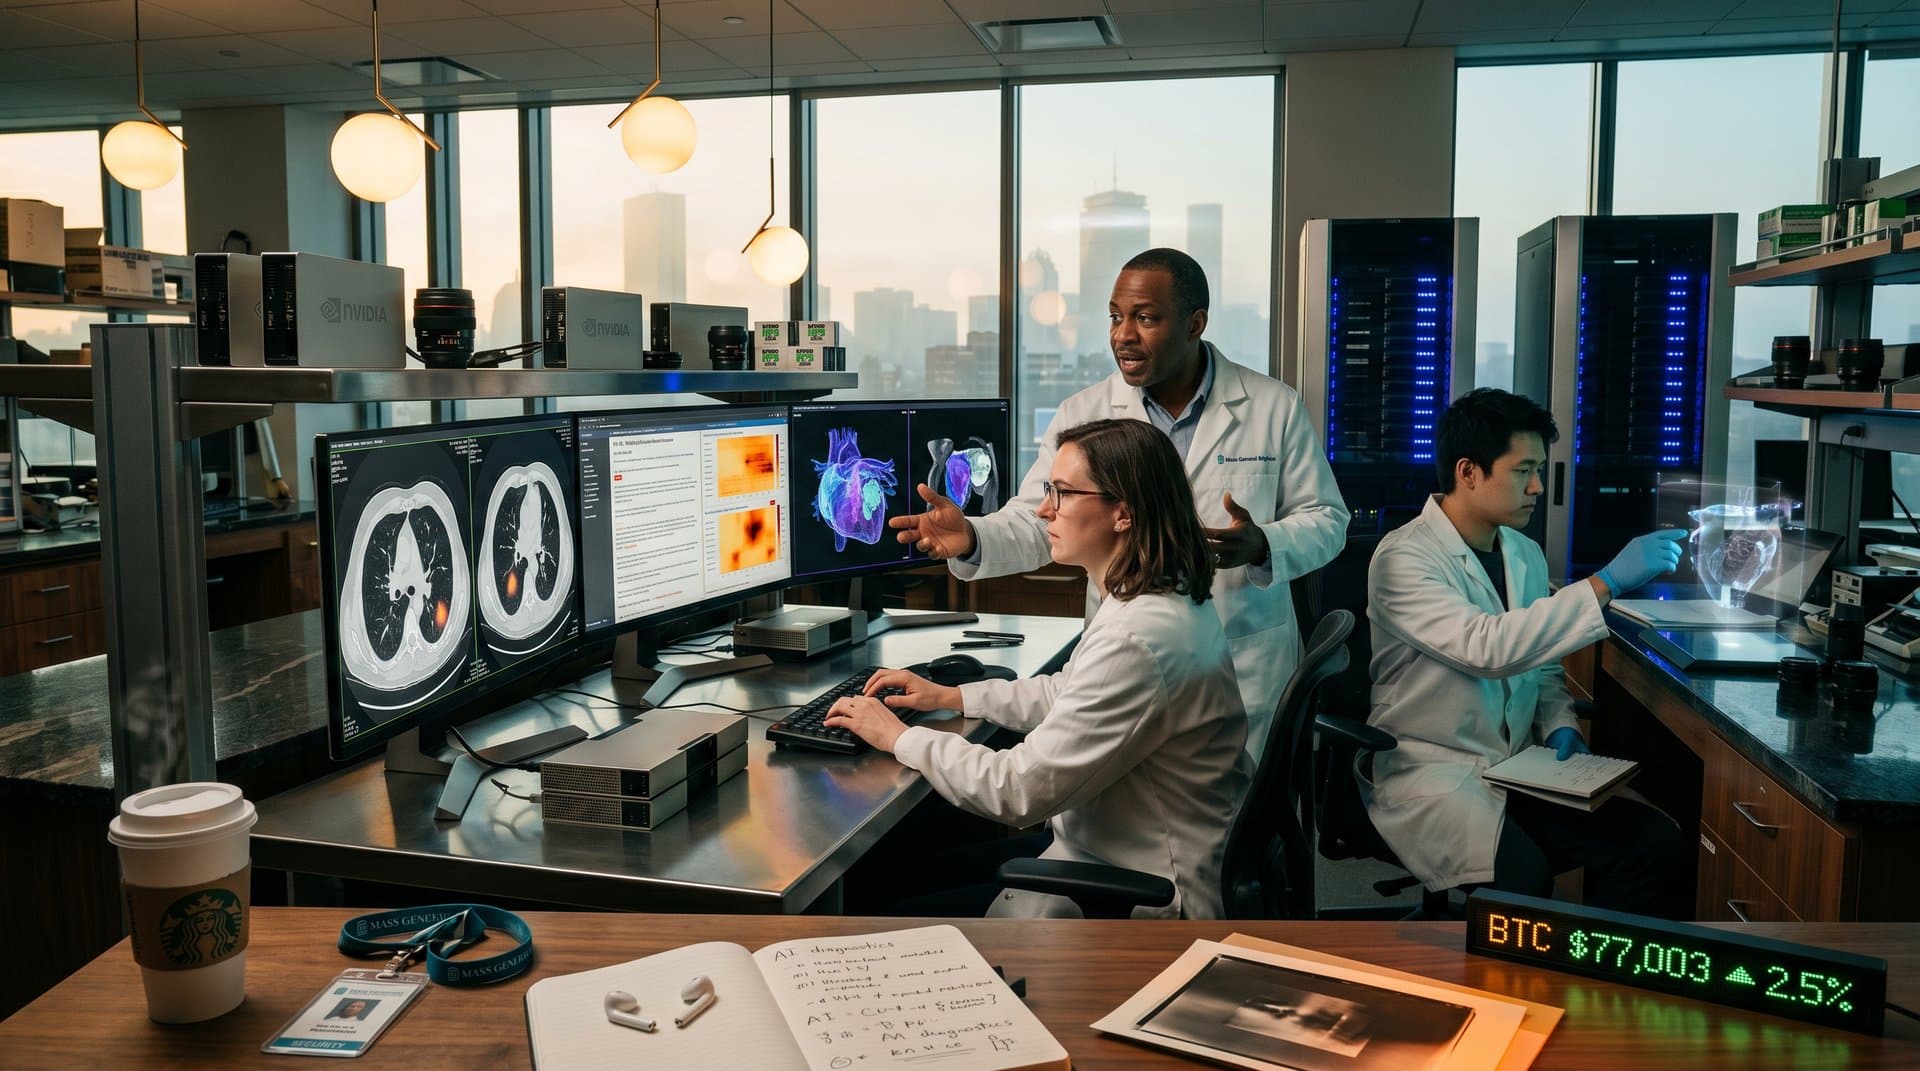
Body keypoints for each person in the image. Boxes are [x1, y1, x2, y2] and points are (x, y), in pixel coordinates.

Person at [889, 248, 1348, 760]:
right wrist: (973, 536)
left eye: (1145, 318)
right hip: (1125, 661)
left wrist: (1263, 544)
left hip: (1244, 665)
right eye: (1115, 317)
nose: (1122, 335)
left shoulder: (1272, 406)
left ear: (1195, 323)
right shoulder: (1083, 414)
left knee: (1227, 803)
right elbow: (1040, 519)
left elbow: (1328, 520)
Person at [827, 418, 1252, 919]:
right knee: (905, 874)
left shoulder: (1138, 636)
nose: (1045, 509)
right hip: (1111, 852)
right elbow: (1069, 692)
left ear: (1123, 514)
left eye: (1063, 493)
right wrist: (952, 697)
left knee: (881, 909)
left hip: (1141, 891)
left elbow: (1018, 790)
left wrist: (899, 736)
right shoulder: (1156, 597)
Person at [1361, 388, 1693, 918]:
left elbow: (1541, 665)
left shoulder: (1524, 552)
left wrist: (1560, 723)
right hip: (1433, 770)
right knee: (1526, 880)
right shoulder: (1404, 558)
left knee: (1652, 846)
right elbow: (1486, 647)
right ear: (1468, 472)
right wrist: (1604, 583)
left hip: (1518, 768)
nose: (1538, 486)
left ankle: (1594, 971)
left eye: (1539, 469)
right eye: (1523, 471)